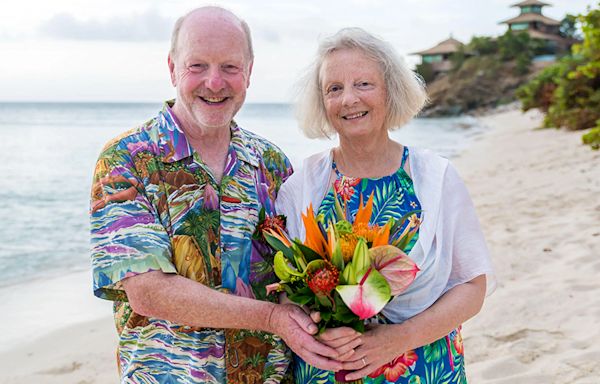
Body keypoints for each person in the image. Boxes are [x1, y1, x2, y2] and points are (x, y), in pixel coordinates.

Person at [90, 6, 343, 383]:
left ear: (249, 72)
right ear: (172, 67)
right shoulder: (126, 161)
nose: (214, 82)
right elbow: (148, 292)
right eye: (197, 66)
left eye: (229, 67)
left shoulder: (272, 164)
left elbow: (297, 274)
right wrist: (274, 318)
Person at [275, 28, 497, 383]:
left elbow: (472, 287)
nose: (349, 99)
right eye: (334, 89)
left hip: (424, 365)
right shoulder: (302, 186)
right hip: (331, 368)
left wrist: (398, 339)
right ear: (321, 101)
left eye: (364, 84)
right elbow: (287, 291)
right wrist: (313, 329)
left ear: (390, 91)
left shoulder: (436, 177)